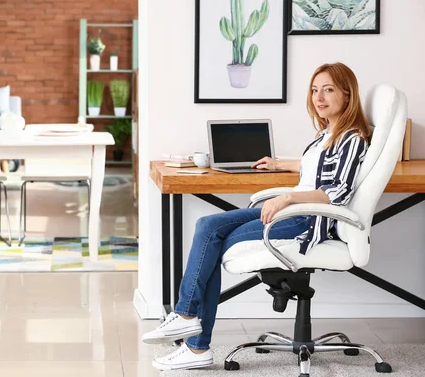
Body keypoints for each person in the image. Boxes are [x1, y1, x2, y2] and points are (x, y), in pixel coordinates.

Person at [142, 62, 371, 371]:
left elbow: (337, 190)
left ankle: (193, 339)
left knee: (214, 241)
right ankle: (187, 324)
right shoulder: (329, 132)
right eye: (315, 90)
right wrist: (281, 164)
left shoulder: (352, 137)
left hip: (306, 220)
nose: (319, 97)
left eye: (328, 89)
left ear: (347, 94)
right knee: (206, 225)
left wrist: (288, 196)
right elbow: (315, 170)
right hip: (294, 212)